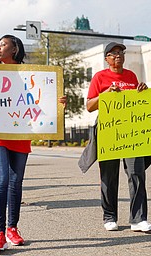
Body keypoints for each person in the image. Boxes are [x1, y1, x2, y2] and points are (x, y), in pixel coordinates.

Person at [0, 35, 66, 252]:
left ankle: (12, 229)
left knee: (16, 181)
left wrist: (58, 104)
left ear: (14, 49)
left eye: (2, 44)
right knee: (2, 179)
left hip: (20, 134)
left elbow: (41, 100)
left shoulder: (30, 74)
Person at [86, 42, 151, 232]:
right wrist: (105, 94)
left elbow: (136, 102)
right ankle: (109, 216)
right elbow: (89, 106)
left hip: (131, 132)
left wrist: (142, 90)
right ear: (106, 58)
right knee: (109, 175)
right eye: (113, 54)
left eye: (121, 53)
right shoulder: (99, 77)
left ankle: (138, 219)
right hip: (109, 132)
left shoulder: (131, 76)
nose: (118, 56)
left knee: (136, 173)